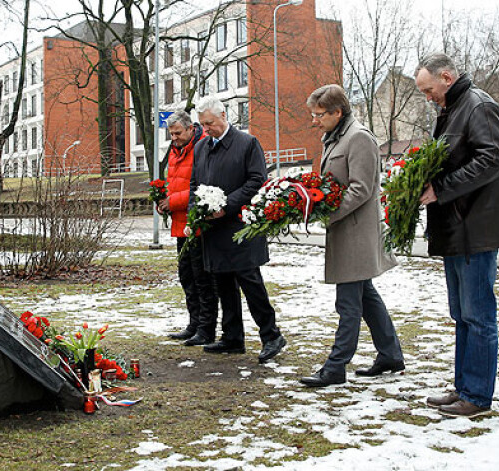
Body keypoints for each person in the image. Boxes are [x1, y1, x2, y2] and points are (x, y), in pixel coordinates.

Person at [299, 84, 404, 388]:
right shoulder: (334, 137)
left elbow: (361, 188)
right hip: (346, 231)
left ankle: (335, 366)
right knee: (366, 298)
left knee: (348, 303)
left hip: (356, 234)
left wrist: (326, 214)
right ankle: (390, 354)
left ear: (337, 112)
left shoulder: (359, 137)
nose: (314, 120)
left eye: (319, 115)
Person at [415, 53, 499, 418]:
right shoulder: (451, 108)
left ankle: (477, 396)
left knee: (478, 315)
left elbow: (492, 158)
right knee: (461, 314)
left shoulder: (478, 106)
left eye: (429, 89)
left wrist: (442, 188)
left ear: (447, 77)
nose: (428, 96)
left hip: (475, 228)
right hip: (455, 227)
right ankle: (464, 386)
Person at [187, 96, 287, 364]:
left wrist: (226, 204)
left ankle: (271, 335)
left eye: (209, 123)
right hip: (213, 229)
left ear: (223, 115)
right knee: (223, 284)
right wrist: (195, 212)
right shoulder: (201, 147)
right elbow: (195, 183)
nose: (206, 129)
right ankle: (232, 338)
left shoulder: (247, 143)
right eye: (202, 125)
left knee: (250, 283)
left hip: (241, 226)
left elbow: (257, 181)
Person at [160, 111, 219, 346]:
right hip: (180, 223)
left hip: (197, 224)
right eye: (171, 134)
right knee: (186, 277)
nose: (174, 138)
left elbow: (202, 186)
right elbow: (174, 182)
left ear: (190, 129)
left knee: (202, 278)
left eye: (177, 133)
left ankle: (206, 327)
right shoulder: (176, 151)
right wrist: (163, 199)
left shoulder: (201, 148)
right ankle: (194, 324)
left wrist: (172, 201)